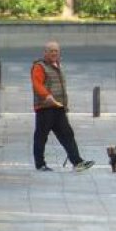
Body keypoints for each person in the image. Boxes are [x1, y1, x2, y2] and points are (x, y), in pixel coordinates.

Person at [31, 41, 94, 172]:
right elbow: (37, 84)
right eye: (51, 51)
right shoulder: (39, 66)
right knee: (41, 137)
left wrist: (64, 105)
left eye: (56, 51)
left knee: (67, 134)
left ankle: (77, 162)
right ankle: (40, 164)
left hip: (58, 108)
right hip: (45, 108)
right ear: (45, 52)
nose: (54, 53)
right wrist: (46, 95)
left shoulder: (58, 65)